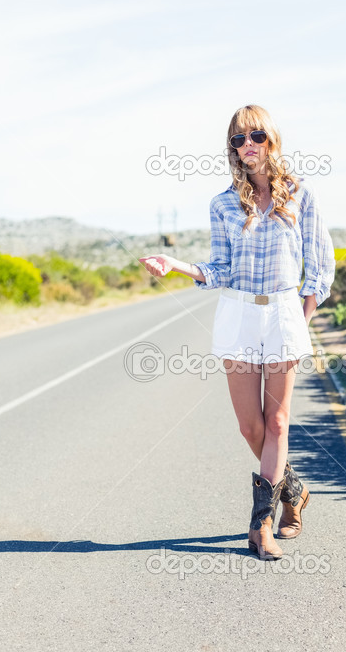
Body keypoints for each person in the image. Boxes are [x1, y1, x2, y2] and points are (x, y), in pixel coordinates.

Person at [139, 104, 335, 560]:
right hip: (239, 315)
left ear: (272, 139)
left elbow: (320, 266)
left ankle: (259, 527)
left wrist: (300, 318)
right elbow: (221, 268)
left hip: (284, 313)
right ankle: (294, 492)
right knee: (251, 427)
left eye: (256, 136)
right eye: (238, 140)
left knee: (278, 422)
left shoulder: (301, 196)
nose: (248, 146)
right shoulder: (224, 204)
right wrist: (176, 265)